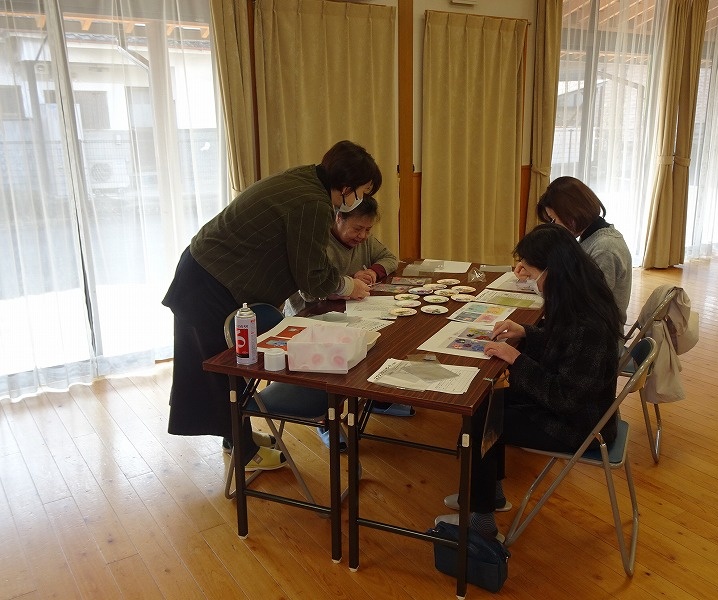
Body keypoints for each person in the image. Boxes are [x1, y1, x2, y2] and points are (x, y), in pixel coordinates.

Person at [163, 140, 382, 472]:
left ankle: (238, 439)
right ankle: (244, 451)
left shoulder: (306, 179)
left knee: (228, 370)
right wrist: (350, 286)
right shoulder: (313, 202)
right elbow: (312, 275)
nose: (361, 199)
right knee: (224, 372)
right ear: (347, 186)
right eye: (362, 192)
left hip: (208, 272)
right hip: (209, 281)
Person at [436, 224, 623, 542]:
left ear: (553, 271)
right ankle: (490, 496)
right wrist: (526, 333)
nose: (527, 278)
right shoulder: (581, 297)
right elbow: (563, 344)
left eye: (531, 271)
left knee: (483, 419)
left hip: (581, 425)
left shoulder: (588, 322)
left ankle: (481, 521)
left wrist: (516, 358)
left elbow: (565, 397)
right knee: (489, 401)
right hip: (581, 408)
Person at [283, 195, 413, 451]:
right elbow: (310, 291)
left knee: (384, 337)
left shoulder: (364, 241)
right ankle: (326, 419)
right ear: (338, 218)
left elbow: (389, 258)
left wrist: (373, 272)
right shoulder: (319, 243)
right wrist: (348, 283)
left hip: (349, 311)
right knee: (336, 357)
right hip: (310, 317)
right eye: (357, 228)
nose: (362, 236)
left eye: (368, 230)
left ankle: (375, 398)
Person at [535, 176, 632, 325]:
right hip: (583, 326)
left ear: (571, 214)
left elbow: (589, 306)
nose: (554, 226)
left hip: (597, 335)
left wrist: (545, 282)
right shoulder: (589, 238)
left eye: (554, 220)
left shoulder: (605, 248)